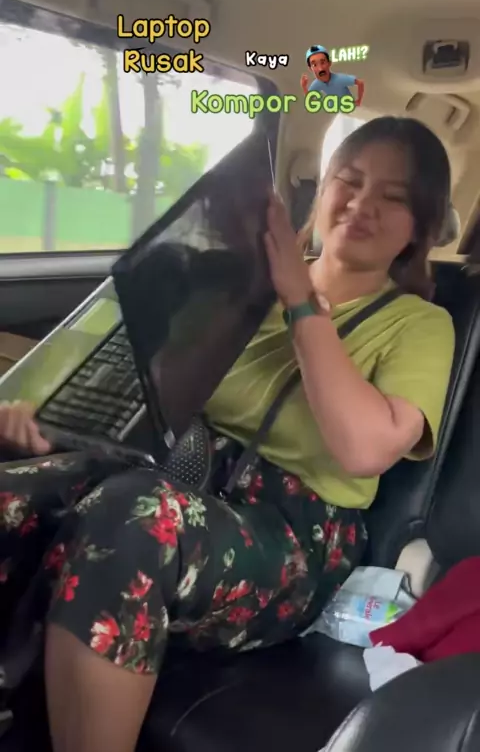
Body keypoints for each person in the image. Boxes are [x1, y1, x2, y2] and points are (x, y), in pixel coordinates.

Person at [0, 116, 455, 752]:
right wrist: (57, 426)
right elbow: (157, 393)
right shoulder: (246, 289)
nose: (361, 203)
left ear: (419, 226)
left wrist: (302, 303)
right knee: (16, 496)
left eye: (393, 196)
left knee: (136, 520)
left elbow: (365, 448)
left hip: (296, 530)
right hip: (177, 473)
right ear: (322, 188)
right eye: (349, 181)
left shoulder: (420, 325)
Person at [301, 45, 365, 106]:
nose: (320, 69)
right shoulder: (317, 83)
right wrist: (304, 86)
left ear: (329, 63)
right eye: (314, 65)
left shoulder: (340, 79)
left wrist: (359, 100)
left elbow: (360, 83)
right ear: (310, 68)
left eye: (323, 62)